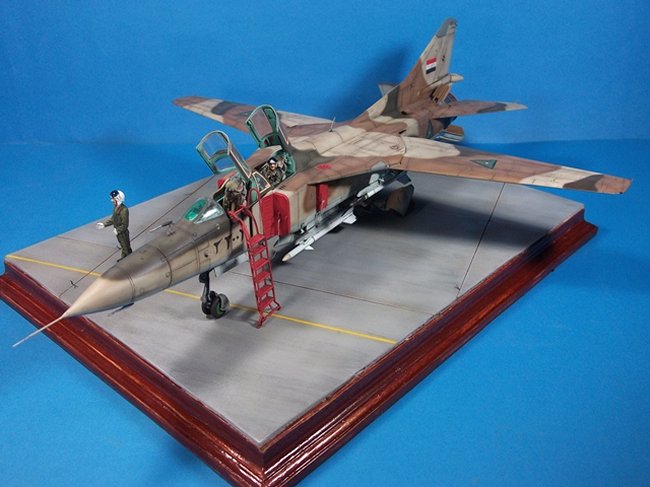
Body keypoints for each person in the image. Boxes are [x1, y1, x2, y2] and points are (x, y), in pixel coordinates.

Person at [96, 189, 132, 259]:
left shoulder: (124, 210)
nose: (112, 200)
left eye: (113, 199)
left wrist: (118, 230)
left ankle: (128, 259)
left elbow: (125, 224)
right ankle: (124, 256)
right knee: (123, 245)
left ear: (118, 199)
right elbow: (113, 219)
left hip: (123, 233)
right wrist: (104, 225)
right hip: (119, 232)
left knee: (126, 246)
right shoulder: (116, 208)